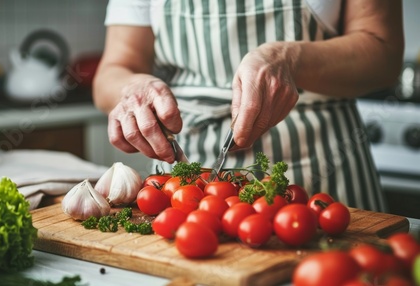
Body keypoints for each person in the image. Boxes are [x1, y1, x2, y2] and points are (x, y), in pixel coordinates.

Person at [92, 0, 404, 212]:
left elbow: (384, 55)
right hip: (188, 170)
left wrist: (289, 60)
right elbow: (114, 69)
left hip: (327, 164)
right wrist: (130, 88)